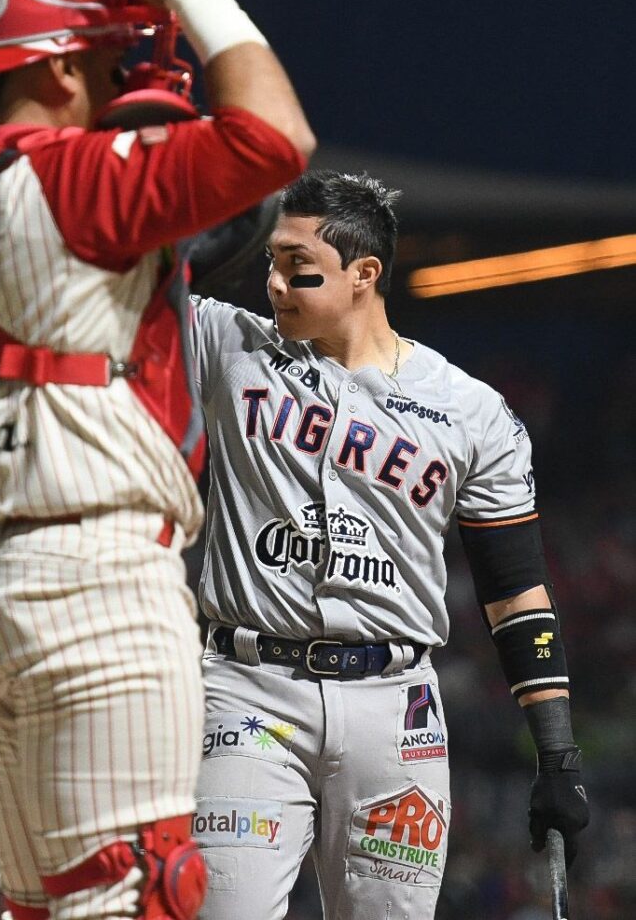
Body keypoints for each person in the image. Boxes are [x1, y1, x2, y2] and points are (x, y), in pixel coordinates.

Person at [0, 0, 315, 918]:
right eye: (108, 60)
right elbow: (273, 138)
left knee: (45, 908)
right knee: (140, 900)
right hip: (94, 584)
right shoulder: (74, 183)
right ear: (63, 69)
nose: (123, 79)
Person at [189, 170, 589, 920]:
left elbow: (515, 587)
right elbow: (107, 292)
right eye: (269, 262)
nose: (274, 283)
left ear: (365, 273)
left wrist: (558, 752)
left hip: (395, 709)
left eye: (299, 269)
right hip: (245, 691)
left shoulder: (470, 411)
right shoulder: (225, 341)